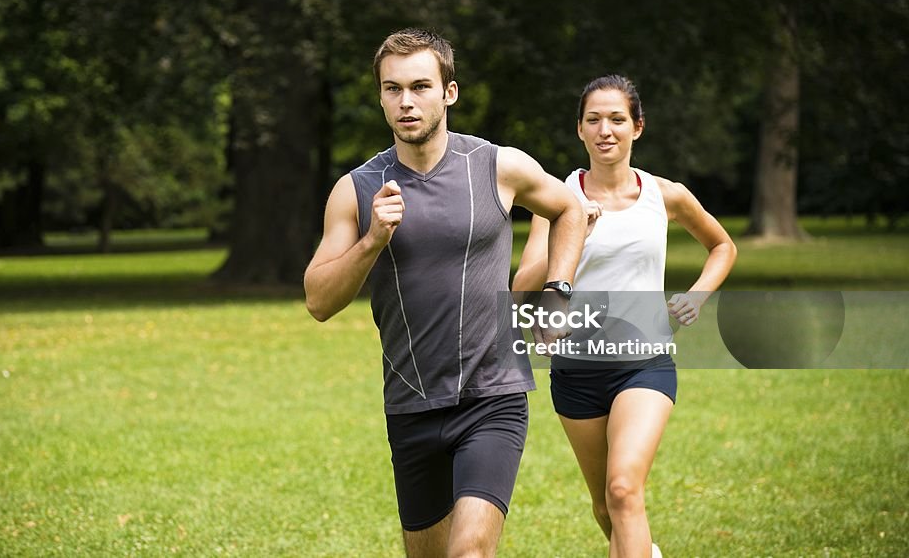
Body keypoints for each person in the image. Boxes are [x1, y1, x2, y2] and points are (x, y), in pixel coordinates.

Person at [304, 28, 587, 557]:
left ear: (448, 93)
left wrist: (559, 291)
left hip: (492, 395)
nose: (406, 102)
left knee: (469, 552)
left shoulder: (498, 166)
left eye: (419, 86)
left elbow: (568, 207)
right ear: (381, 97)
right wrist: (371, 241)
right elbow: (319, 301)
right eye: (392, 89)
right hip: (410, 403)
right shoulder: (358, 189)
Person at [513, 75, 737, 558]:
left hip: (644, 361)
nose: (605, 129)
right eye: (593, 119)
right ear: (579, 130)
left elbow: (723, 246)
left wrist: (697, 295)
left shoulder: (666, 194)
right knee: (603, 506)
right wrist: (573, 227)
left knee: (622, 491)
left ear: (637, 127)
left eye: (617, 119)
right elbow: (523, 285)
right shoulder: (556, 197)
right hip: (575, 368)